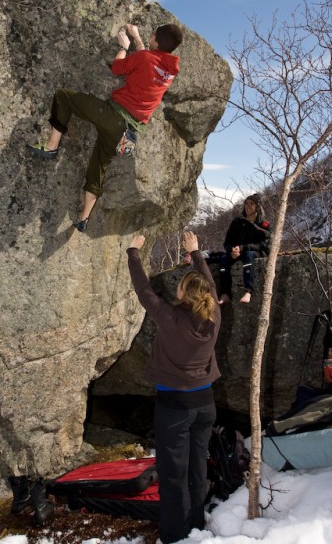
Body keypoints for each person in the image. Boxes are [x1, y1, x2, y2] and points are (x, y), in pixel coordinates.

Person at [26, 23, 183, 232]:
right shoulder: (168, 71)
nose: (151, 35)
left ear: (157, 40)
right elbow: (148, 60)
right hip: (126, 133)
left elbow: (118, 66)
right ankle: (84, 218)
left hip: (113, 116)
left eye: (153, 34)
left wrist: (124, 47)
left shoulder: (145, 58)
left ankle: (52, 145)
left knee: (64, 96)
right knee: (98, 168)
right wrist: (137, 38)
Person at [127, 231, 221, 544]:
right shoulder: (213, 316)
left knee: (173, 475)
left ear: (182, 292)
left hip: (175, 408)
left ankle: (175, 535)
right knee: (197, 469)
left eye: (181, 283)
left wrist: (133, 253)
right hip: (205, 405)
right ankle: (197, 527)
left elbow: (143, 291)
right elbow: (210, 284)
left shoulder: (170, 317)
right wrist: (195, 253)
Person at [218, 193, 271, 305]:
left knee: (248, 255)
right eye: (246, 203)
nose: (247, 206)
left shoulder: (264, 225)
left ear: (258, 207)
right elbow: (227, 242)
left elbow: (263, 245)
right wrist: (232, 250)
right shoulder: (237, 222)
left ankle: (248, 291)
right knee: (224, 259)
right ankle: (225, 293)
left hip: (255, 252)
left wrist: (243, 248)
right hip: (237, 252)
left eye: (251, 204)